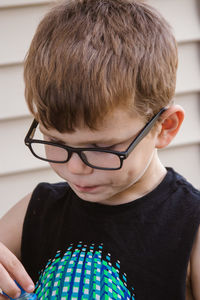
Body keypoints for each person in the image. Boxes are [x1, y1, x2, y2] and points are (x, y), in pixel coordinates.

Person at [0, 0, 199, 299]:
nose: (76, 168)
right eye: (54, 141)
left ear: (165, 127)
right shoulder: (35, 212)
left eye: (102, 147)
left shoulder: (190, 229)